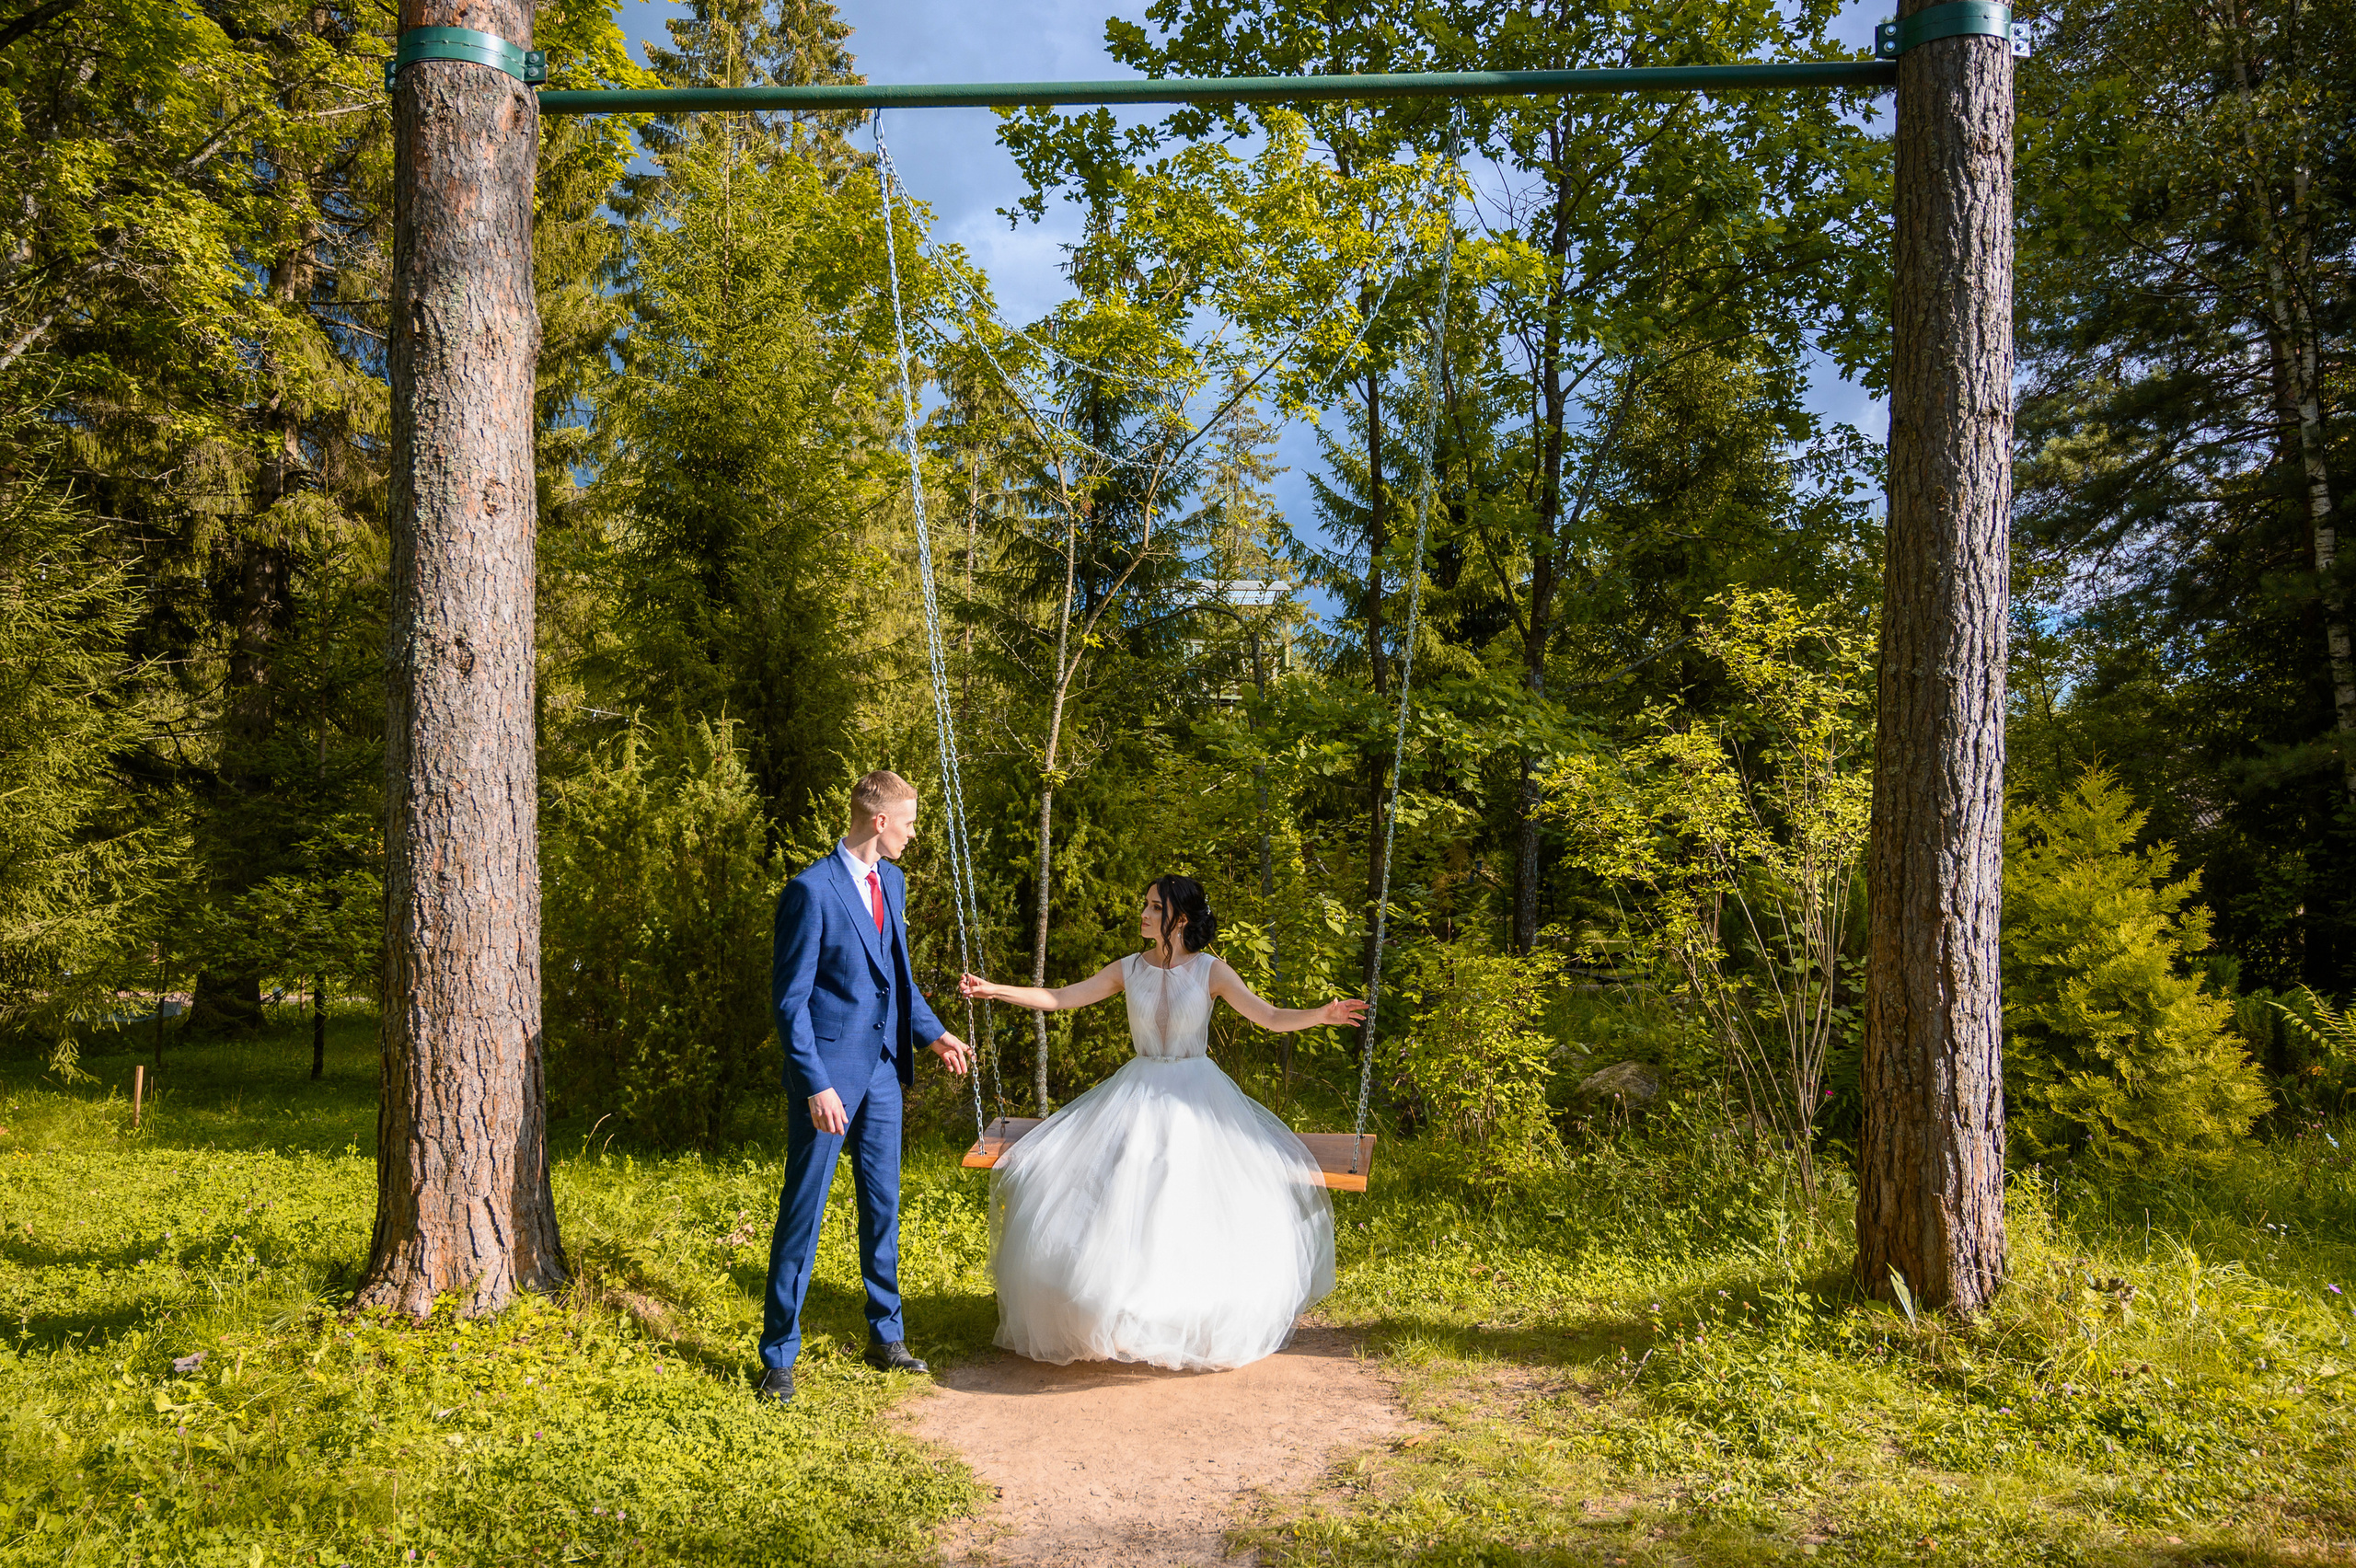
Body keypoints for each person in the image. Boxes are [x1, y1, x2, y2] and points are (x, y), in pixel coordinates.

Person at [957, 875, 1367, 1372]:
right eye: (1146, 904)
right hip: (1139, 1090)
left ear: (1182, 918)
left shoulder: (1212, 971)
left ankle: (1186, 1313)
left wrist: (1319, 1015)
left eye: (1155, 907)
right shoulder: (1129, 969)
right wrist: (995, 990)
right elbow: (1062, 997)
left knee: (1187, 1197)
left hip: (1199, 1095)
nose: (1145, 913)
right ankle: (1120, 1308)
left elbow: (1270, 1016)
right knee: (1125, 1196)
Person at [760, 769, 972, 1405]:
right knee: (804, 1211)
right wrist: (815, 1084)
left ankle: (887, 1337)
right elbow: (789, 1004)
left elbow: (898, 978)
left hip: (883, 1076)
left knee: (883, 1208)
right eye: (908, 822)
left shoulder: (894, 882)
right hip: (828, 1083)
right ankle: (777, 1357)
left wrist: (933, 1036)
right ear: (879, 822)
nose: (913, 834)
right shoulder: (811, 891)